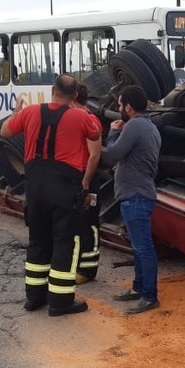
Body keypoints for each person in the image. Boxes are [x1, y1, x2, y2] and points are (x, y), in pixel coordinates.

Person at [0, 75, 102, 316]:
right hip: (65, 187)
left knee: (38, 241)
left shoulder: (31, 112)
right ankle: (60, 302)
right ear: (75, 95)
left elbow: (5, 132)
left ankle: (34, 298)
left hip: (35, 186)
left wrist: (16, 113)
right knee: (64, 242)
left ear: (52, 90)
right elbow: (95, 135)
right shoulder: (81, 117)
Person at [105, 85, 161, 314]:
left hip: (136, 196)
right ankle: (139, 288)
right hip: (139, 194)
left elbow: (113, 155)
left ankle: (149, 296)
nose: (118, 109)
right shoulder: (149, 126)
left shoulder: (135, 125)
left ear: (128, 107)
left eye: (120, 104)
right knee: (139, 248)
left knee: (143, 248)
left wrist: (113, 132)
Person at [71, 83, 102, 284]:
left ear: (73, 100)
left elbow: (94, 155)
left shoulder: (90, 120)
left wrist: (85, 182)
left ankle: (88, 270)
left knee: (88, 225)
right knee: (79, 224)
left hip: (86, 179)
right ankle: (80, 265)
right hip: (80, 177)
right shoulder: (81, 119)